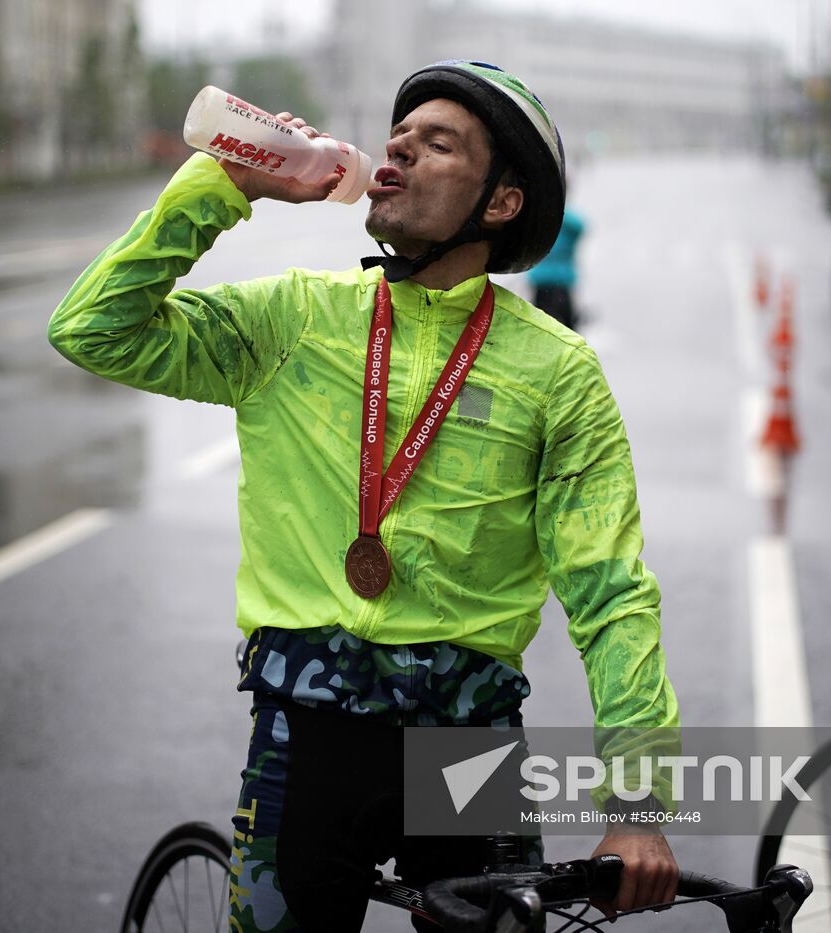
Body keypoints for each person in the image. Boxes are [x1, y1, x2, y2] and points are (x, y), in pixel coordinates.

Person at [49, 60, 678, 931]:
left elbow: (612, 595)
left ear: (501, 202)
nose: (400, 152)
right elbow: (91, 328)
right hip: (311, 730)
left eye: (439, 143)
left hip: (468, 747)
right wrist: (222, 185)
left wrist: (638, 807)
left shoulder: (557, 374)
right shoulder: (294, 319)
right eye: (398, 138)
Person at [528, 198, 587, 328]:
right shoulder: (565, 223)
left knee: (543, 325)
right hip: (551, 282)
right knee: (562, 326)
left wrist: (554, 212)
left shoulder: (545, 220)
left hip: (551, 282)